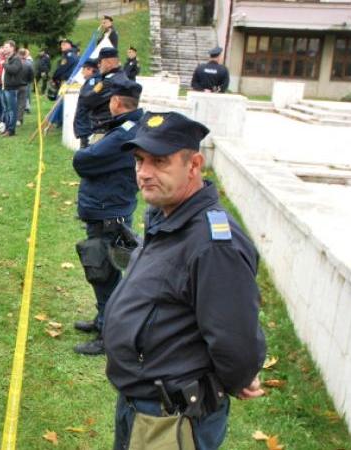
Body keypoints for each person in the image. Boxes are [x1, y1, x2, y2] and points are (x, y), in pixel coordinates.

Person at [106, 111, 267, 449]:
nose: (144, 173)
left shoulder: (212, 244)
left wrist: (237, 376)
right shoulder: (169, 217)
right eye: (139, 160)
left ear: (193, 165)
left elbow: (236, 341)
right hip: (141, 405)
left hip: (171, 418)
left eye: (160, 162)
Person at [71, 78, 142, 355]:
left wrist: (85, 153)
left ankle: (108, 336)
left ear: (115, 102)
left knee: (104, 273)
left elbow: (83, 160)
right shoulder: (130, 126)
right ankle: (102, 320)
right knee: (104, 273)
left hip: (108, 214)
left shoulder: (124, 133)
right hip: (110, 208)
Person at [78, 47, 130, 143]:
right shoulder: (121, 77)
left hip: (104, 130)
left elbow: (87, 100)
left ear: (109, 63)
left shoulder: (109, 81)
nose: (98, 65)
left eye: (100, 62)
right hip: (113, 129)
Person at [0, 41, 24, 137]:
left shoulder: (16, 59)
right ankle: (7, 128)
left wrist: (4, 64)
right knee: (7, 109)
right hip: (6, 87)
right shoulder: (8, 58)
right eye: (4, 47)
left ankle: (11, 130)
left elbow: (13, 70)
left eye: (6, 47)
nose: (4, 49)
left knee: (12, 110)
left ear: (12, 48)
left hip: (12, 88)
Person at [73, 59, 99, 149]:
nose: (82, 72)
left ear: (90, 69)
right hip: (87, 123)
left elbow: (88, 100)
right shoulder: (93, 81)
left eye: (83, 69)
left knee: (86, 150)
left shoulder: (92, 82)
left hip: (87, 124)